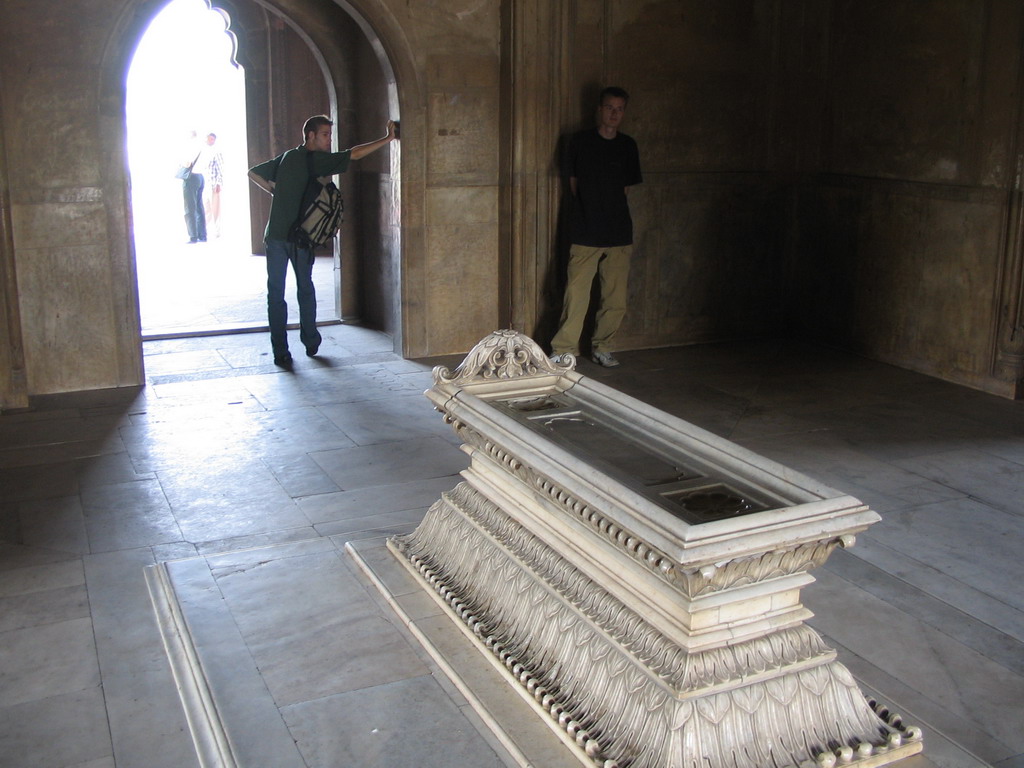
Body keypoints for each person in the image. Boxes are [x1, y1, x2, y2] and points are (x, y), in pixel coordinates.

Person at [248, 114, 398, 367]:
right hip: (300, 238)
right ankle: (310, 340)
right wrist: (388, 138)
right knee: (305, 289)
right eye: (325, 135)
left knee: (275, 294)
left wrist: (274, 191)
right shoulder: (316, 160)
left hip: (274, 236)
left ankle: (280, 351)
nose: (329, 140)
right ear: (311, 136)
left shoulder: (288, 157)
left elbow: (253, 173)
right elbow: (356, 154)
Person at [550, 86, 642, 368]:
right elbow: (574, 185)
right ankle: (564, 350)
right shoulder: (579, 142)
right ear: (599, 110)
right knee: (575, 295)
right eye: (610, 108)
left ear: (623, 112)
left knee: (615, 297)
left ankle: (603, 346)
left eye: (619, 109)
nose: (614, 114)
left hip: (618, 231)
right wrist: (591, 211)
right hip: (585, 228)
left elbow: (625, 188)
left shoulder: (628, 145)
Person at [180, 130, 206, 243]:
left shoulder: (191, 146)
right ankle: (202, 235)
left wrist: (181, 163)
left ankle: (193, 236)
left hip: (191, 178)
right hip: (200, 177)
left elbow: (187, 163)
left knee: (189, 208)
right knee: (199, 207)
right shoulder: (202, 146)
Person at [204, 132, 224, 238]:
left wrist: (219, 183)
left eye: (211, 139)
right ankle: (204, 228)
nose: (209, 140)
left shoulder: (216, 152)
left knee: (216, 208)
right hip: (205, 184)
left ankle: (217, 229)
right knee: (206, 208)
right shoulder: (205, 151)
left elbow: (220, 169)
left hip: (213, 184)